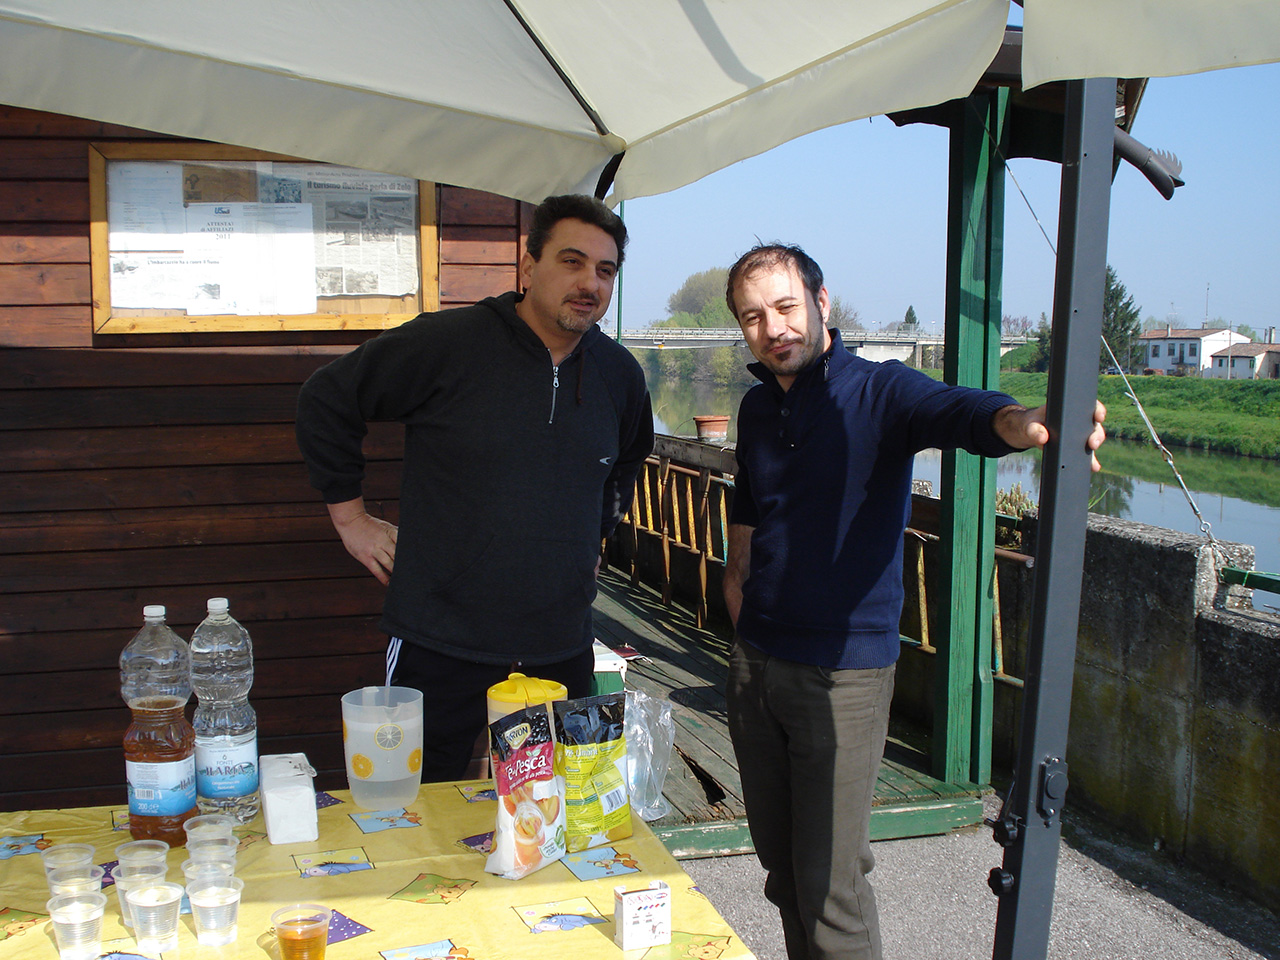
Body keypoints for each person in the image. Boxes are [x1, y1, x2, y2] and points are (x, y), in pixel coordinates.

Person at [721, 243, 1105, 960]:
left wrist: (1020, 421)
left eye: (785, 307)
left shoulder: (880, 390)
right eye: (752, 317)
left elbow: (956, 410)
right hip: (757, 662)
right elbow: (750, 499)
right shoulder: (756, 406)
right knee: (783, 876)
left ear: (822, 302)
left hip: (841, 674)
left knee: (831, 889)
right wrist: (734, 584)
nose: (772, 329)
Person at [296, 194, 653, 782]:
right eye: (571, 261)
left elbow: (628, 460)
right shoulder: (448, 343)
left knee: (547, 813)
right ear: (528, 265)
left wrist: (596, 536)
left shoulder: (620, 375)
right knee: (410, 805)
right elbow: (327, 399)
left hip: (559, 644)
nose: (590, 282)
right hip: (440, 640)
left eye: (605, 270)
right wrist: (351, 519)